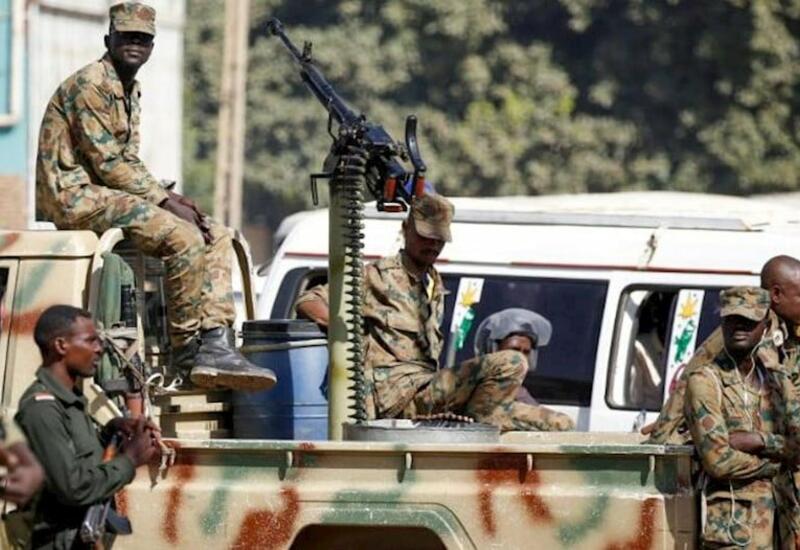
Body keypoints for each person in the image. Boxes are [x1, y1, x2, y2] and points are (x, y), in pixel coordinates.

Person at [34, 2, 275, 392]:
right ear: (108, 40)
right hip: (73, 196)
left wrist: (168, 196)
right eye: (127, 37)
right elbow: (109, 163)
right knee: (182, 236)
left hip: (105, 192)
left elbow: (126, 159)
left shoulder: (129, 89)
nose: (135, 45)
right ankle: (187, 352)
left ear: (152, 47)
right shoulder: (91, 84)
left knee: (215, 232)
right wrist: (165, 202)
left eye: (143, 39)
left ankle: (216, 341)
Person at [296, 193, 573, 432]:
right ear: (406, 229)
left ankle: (483, 420)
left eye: (439, 239)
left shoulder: (434, 283)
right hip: (400, 397)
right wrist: (344, 334)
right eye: (425, 236)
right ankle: (481, 424)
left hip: (432, 391)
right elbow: (309, 299)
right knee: (512, 362)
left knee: (560, 423)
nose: (432, 245)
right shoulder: (378, 276)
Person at [15, 305, 161, 549]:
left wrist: (111, 433)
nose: (99, 348)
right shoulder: (42, 409)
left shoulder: (70, 400)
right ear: (61, 346)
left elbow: (79, 457)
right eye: (90, 340)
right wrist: (130, 459)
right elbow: (73, 487)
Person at [645, 255, 800, 444]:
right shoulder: (751, 333)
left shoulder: (786, 331)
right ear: (776, 295)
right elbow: (685, 388)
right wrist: (662, 434)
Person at [684, 286, 793, 548]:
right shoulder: (705, 381)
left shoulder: (777, 380)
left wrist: (758, 440)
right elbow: (718, 460)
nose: (739, 327)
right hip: (735, 528)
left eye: (748, 320)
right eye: (731, 319)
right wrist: (777, 464)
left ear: (765, 326)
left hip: (784, 523)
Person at [473, 308, 574, 429]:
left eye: (526, 352)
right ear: (493, 350)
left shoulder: (520, 392)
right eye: (514, 350)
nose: (521, 358)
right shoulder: (472, 385)